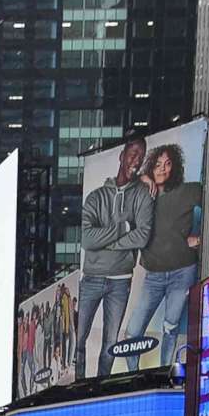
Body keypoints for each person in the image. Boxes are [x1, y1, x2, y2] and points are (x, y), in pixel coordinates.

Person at [122, 142, 204, 373]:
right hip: (153, 276)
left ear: (175, 167)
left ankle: (164, 372)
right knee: (132, 332)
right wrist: (142, 178)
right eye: (157, 164)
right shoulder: (143, 193)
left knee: (170, 326)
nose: (162, 169)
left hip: (182, 272)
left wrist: (200, 238)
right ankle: (134, 375)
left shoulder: (189, 191)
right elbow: (122, 183)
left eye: (168, 164)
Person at [76, 138, 152, 381]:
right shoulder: (96, 197)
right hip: (91, 279)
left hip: (121, 281)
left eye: (141, 155)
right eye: (133, 153)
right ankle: (77, 386)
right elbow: (87, 240)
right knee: (78, 338)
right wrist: (122, 229)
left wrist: (107, 242)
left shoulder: (142, 195)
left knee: (110, 342)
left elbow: (142, 236)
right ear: (122, 155)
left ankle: (101, 387)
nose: (136, 160)